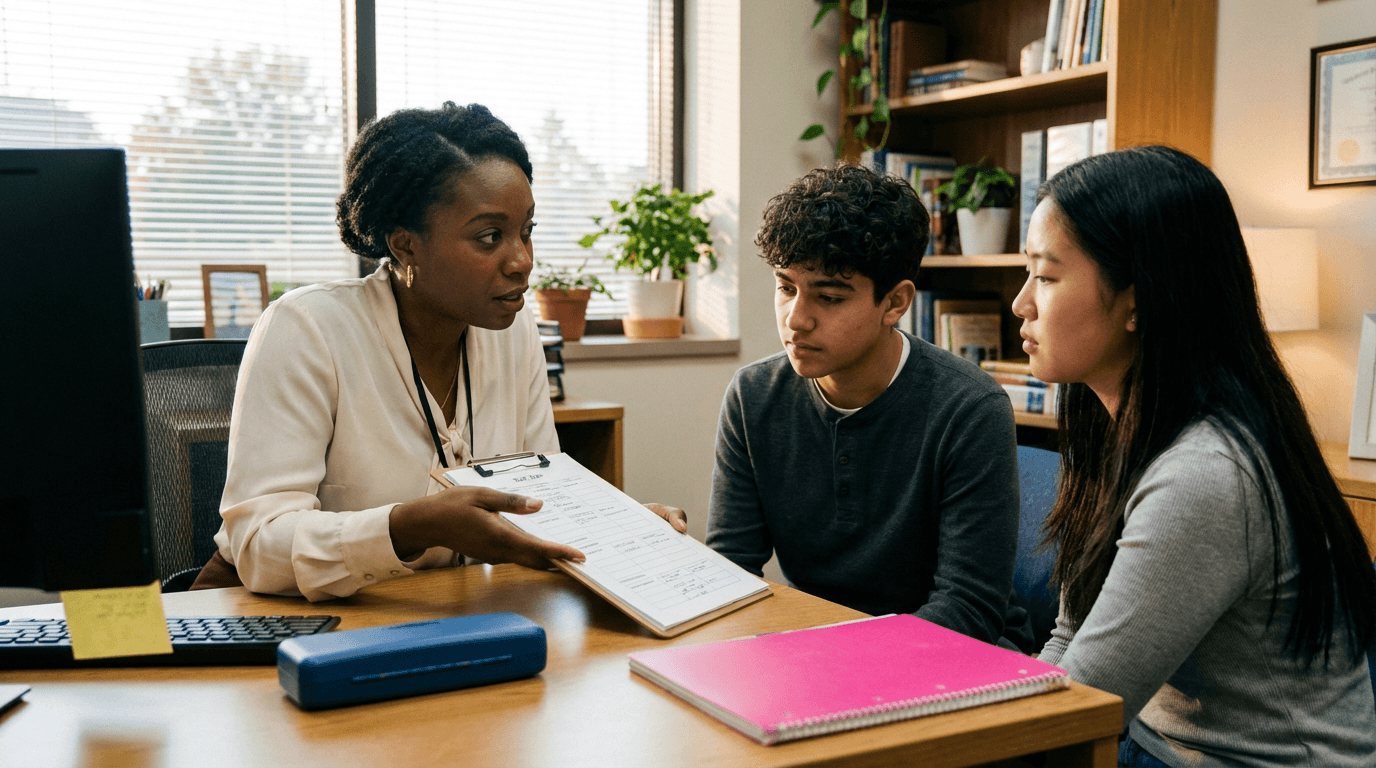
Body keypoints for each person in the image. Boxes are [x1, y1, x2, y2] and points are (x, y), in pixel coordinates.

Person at [209, 103, 685, 600]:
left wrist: (621, 531)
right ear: (405, 246)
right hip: (312, 623)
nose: (522, 261)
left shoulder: (515, 329)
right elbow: (258, 545)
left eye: (526, 231)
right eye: (490, 237)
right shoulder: (307, 328)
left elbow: (541, 503)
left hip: (461, 615)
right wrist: (407, 527)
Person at [1017, 145, 1376, 766]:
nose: (1021, 303)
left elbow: (1083, 705)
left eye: (1046, 277)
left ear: (1138, 301)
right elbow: (1070, 641)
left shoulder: (1207, 475)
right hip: (1152, 747)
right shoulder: (1113, 432)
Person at [707, 164, 1030, 651]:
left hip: (954, 655)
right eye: (786, 287)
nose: (796, 319)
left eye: (828, 297)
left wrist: (829, 657)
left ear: (895, 303)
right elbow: (731, 568)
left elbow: (969, 609)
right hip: (822, 649)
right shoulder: (753, 396)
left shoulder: (970, 408)